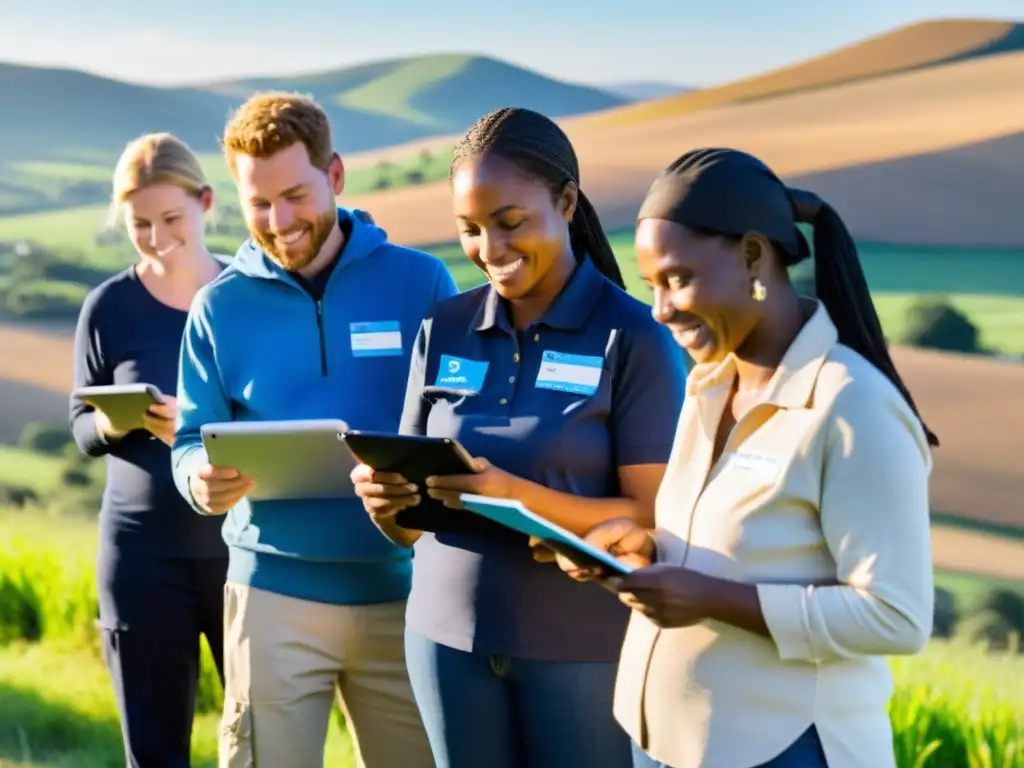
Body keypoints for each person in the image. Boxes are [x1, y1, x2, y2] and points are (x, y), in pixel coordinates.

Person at [557, 148, 937, 768]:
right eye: (652, 285)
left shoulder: (852, 406)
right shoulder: (710, 385)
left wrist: (711, 598)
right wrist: (646, 549)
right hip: (663, 740)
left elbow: (896, 616)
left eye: (678, 278)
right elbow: (732, 545)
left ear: (755, 256)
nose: (660, 309)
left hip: (784, 748)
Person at [350, 107, 688, 768]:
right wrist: (385, 506)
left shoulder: (635, 337)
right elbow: (408, 528)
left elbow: (656, 517)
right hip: (444, 644)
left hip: (585, 651)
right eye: (470, 230)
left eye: (510, 224)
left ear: (566, 201)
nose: (490, 250)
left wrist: (514, 495)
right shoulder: (442, 327)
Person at [170, 92, 454, 767]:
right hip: (271, 595)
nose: (279, 221)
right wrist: (196, 480)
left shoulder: (421, 282)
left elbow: (458, 425)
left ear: (335, 176)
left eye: (295, 195)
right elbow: (188, 439)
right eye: (259, 204)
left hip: (406, 592)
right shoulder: (218, 308)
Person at [69, 132, 230, 768]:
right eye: (139, 224)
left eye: (171, 219)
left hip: (239, 548)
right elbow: (82, 427)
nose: (158, 237)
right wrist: (123, 421)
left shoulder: (244, 293)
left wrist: (199, 425)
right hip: (139, 556)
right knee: (156, 752)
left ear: (206, 202)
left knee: (261, 739)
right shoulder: (108, 307)